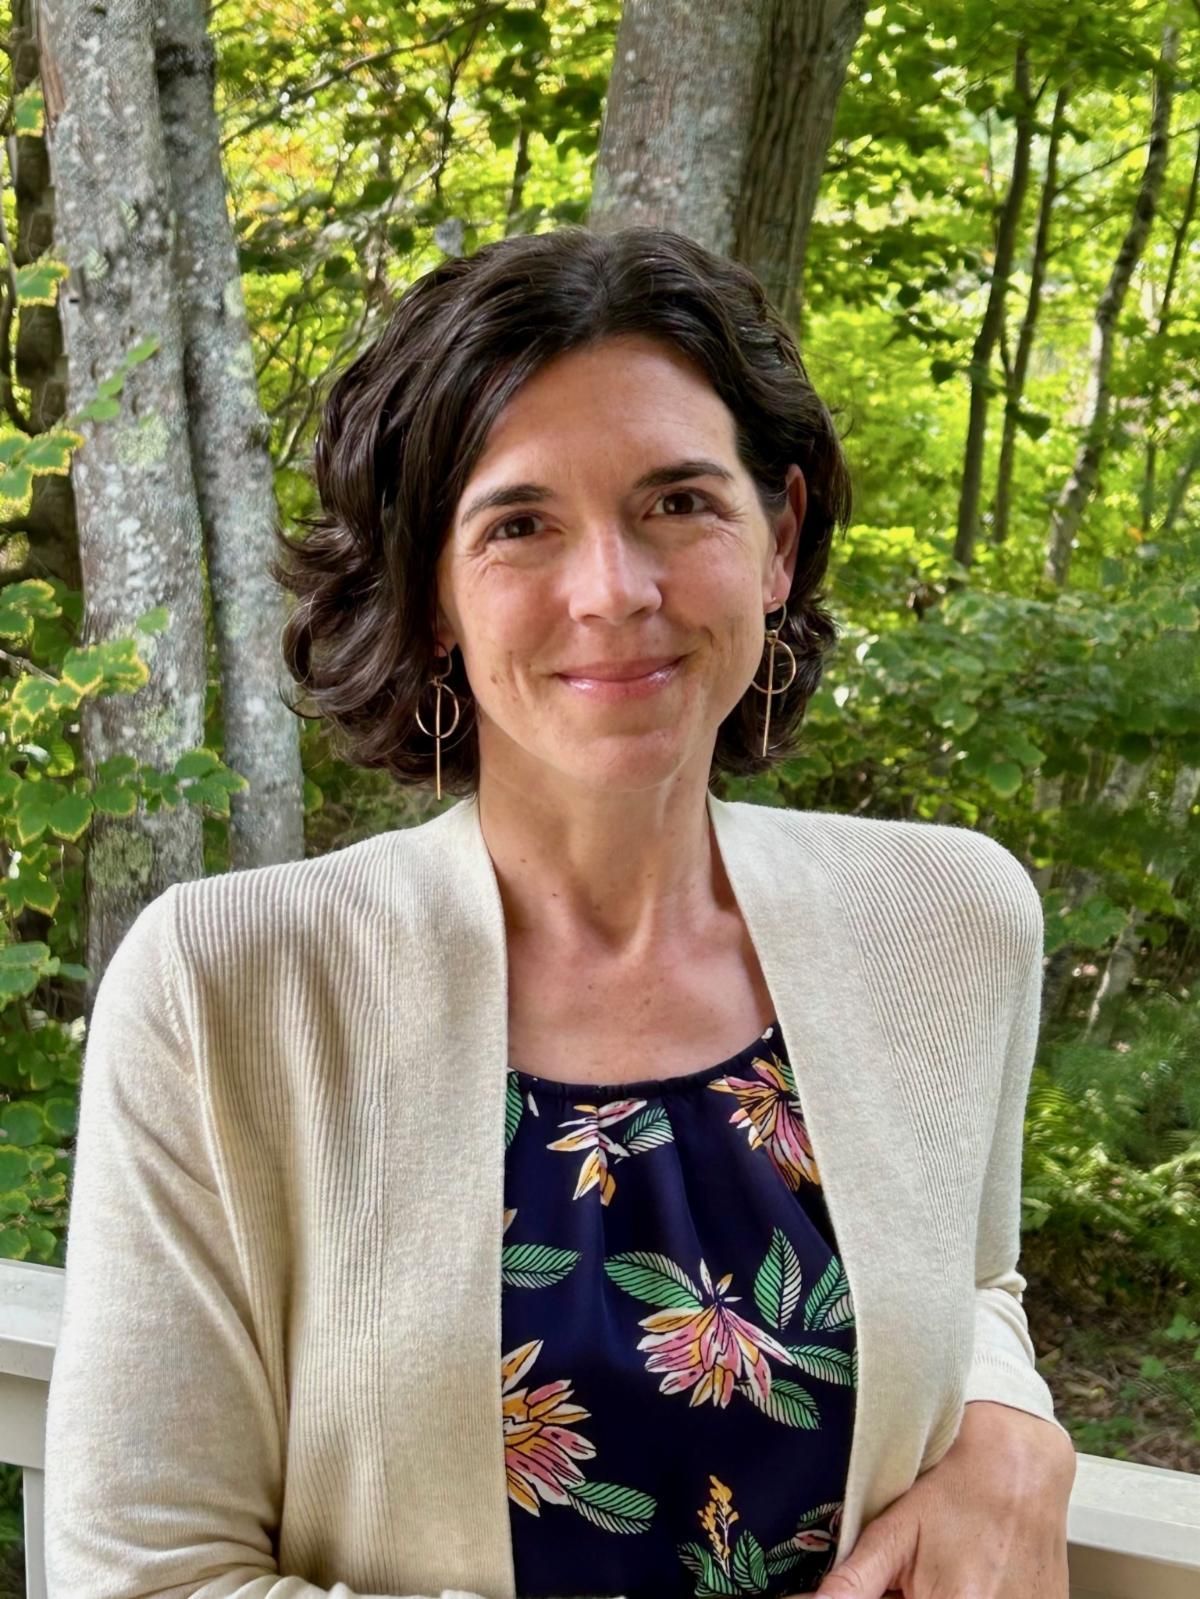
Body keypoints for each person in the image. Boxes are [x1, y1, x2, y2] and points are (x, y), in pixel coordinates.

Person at [43, 225, 1075, 1599]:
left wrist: (1014, 1435)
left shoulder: (951, 922)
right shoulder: (227, 986)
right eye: (521, 523)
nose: (615, 592)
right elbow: (143, 1574)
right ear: (431, 594)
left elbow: (970, 1283)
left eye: (678, 505)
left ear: (777, 540)